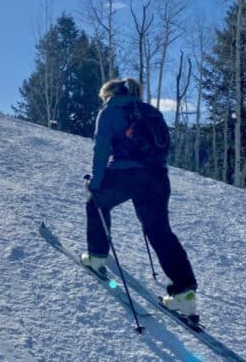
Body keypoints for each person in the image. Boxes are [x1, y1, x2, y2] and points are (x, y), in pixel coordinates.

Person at [81, 78, 198, 317]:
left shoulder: (110, 111)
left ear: (110, 93)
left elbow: (102, 148)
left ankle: (97, 257)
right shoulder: (151, 112)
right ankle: (185, 294)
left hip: (125, 173)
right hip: (157, 176)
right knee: (159, 230)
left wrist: (95, 182)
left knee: (96, 203)